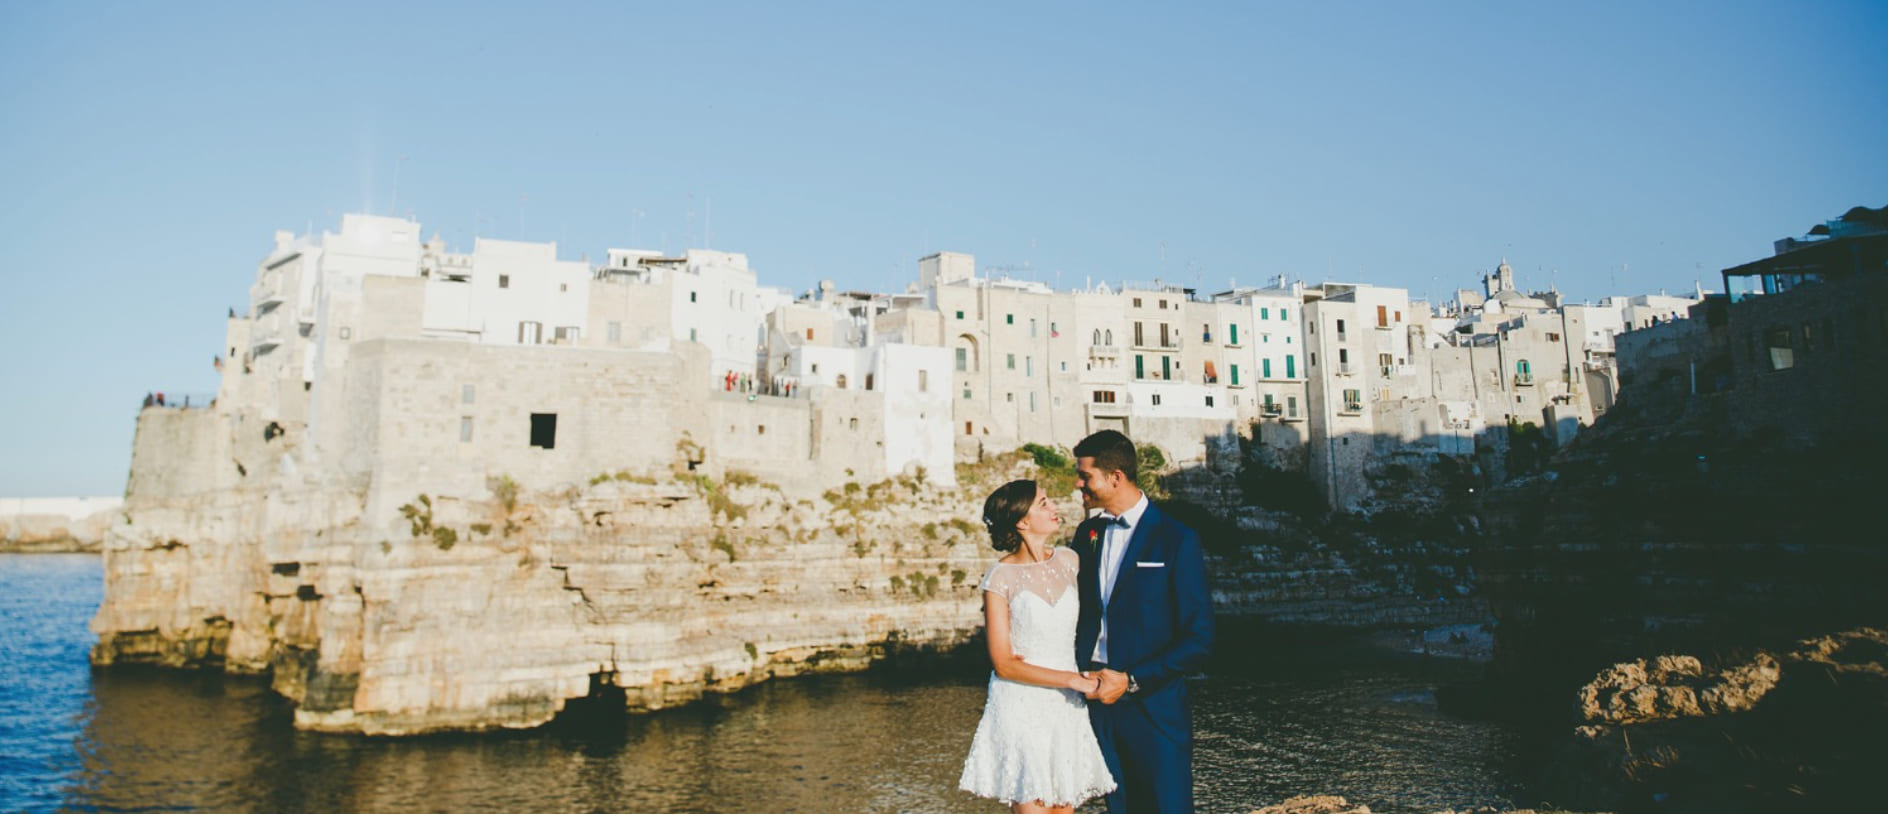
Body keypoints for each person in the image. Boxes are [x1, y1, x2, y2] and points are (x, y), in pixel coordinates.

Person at [1071, 429, 1214, 813]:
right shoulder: (1087, 534)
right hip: (1096, 701)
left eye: (1085, 476)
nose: (1078, 483)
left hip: (1154, 705)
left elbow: (1199, 638)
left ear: (1115, 477)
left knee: (1166, 806)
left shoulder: (1176, 538)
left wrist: (1132, 680)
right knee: (1118, 807)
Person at [960, 479, 1117, 813]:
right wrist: (1073, 680)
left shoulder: (1071, 560)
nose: (1054, 507)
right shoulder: (999, 577)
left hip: (1064, 705)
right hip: (1021, 701)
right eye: (1043, 503)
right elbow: (1004, 664)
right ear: (1022, 521)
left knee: (1065, 805)